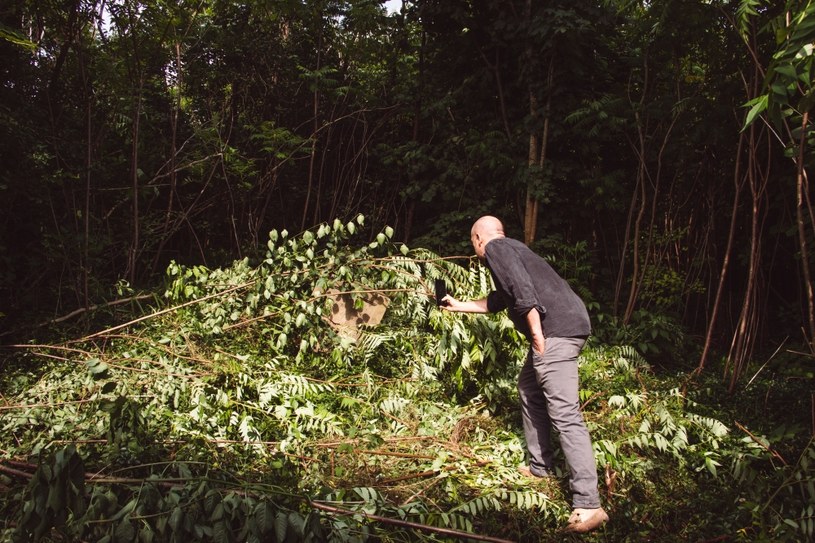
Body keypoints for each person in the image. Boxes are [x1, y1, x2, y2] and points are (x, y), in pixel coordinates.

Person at [441, 215, 608, 533]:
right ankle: (539, 467)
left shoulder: (496, 249)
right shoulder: (515, 249)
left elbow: (523, 291)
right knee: (529, 389)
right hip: (566, 324)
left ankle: (589, 505)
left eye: (473, 241)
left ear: (478, 238)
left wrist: (537, 337)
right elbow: (498, 301)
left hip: (554, 333)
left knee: (566, 415)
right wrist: (457, 304)